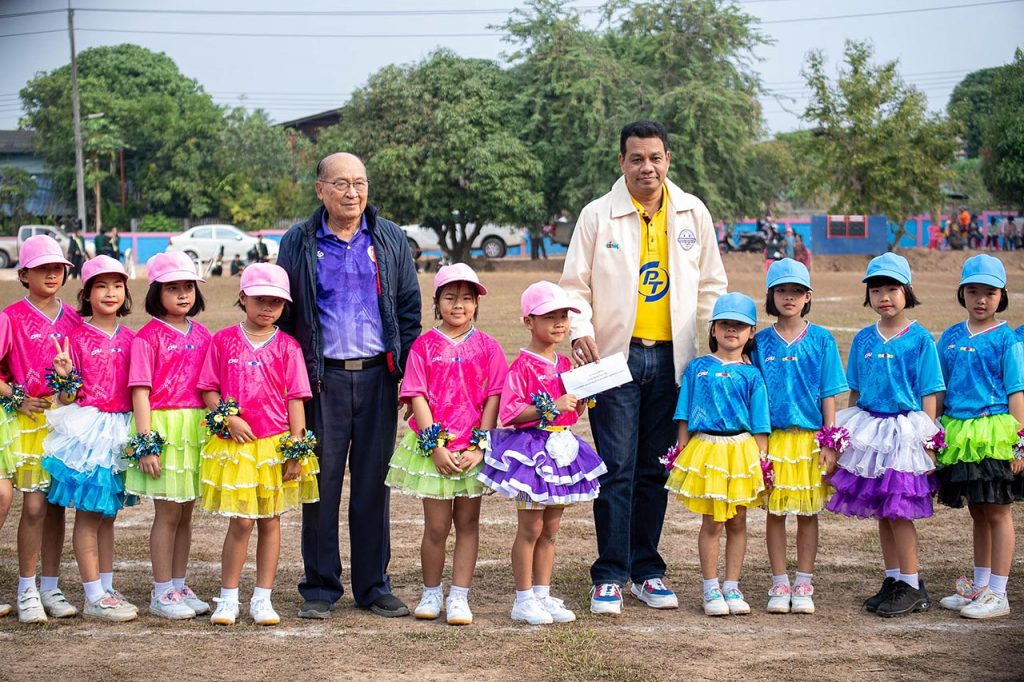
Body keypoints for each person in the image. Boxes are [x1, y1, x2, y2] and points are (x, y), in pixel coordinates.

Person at [560, 120, 727, 616]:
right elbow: (574, 286)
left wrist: (711, 351)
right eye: (636, 158)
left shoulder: (692, 211)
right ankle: (610, 575)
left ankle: (647, 571)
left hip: (676, 360)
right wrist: (579, 328)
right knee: (616, 469)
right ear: (622, 162)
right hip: (614, 359)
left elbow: (711, 286)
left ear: (668, 159)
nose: (646, 167)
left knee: (655, 470)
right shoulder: (598, 215)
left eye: (655, 158)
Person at [277, 152, 421, 619]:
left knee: (373, 486)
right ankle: (320, 587)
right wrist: (293, 379)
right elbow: (286, 314)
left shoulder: (389, 237)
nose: (352, 192)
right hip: (323, 380)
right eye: (340, 183)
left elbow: (408, 310)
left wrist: (407, 374)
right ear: (320, 189)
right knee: (320, 485)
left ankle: (374, 585)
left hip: (379, 377)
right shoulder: (299, 240)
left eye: (359, 182)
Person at [477, 281, 606, 625]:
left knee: (550, 528)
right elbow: (510, 414)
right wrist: (551, 406)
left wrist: (582, 397)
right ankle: (523, 598)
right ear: (528, 321)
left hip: (562, 450)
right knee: (530, 529)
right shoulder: (522, 366)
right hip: (531, 455)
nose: (559, 323)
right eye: (549, 317)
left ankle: (542, 593)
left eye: (563, 316)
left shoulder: (566, 363)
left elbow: (570, 413)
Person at [385, 264, 507, 626]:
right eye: (450, 297)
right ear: (437, 302)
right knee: (437, 527)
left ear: (476, 304)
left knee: (468, 524)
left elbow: (493, 397)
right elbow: (417, 395)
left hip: (471, 450)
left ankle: (459, 596)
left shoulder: (489, 347)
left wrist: (479, 446)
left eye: (467, 298)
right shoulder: (423, 346)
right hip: (434, 449)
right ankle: (431, 591)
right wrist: (434, 446)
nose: (459, 305)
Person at [198, 263, 320, 626]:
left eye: (276, 302)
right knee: (241, 522)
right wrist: (228, 417)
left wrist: (296, 450)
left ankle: (263, 598)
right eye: (259, 299)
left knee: (270, 521)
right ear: (243, 298)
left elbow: (296, 400)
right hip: (237, 448)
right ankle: (228, 597)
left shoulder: (288, 347)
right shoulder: (223, 340)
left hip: (274, 447)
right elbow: (208, 389)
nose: (267, 307)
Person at [826, 253, 944, 617]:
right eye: (876, 290)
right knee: (882, 509)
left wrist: (928, 442)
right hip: (871, 429)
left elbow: (930, 393)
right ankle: (893, 579)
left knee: (899, 510)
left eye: (892, 288)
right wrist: (847, 438)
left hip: (904, 432)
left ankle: (912, 584)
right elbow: (855, 391)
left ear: (907, 290)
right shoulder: (864, 338)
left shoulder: (920, 339)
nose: (884, 297)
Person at [41, 255, 137, 621]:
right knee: (89, 514)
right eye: (101, 286)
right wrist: (65, 376)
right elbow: (68, 398)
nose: (110, 293)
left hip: (121, 431)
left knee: (108, 515)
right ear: (86, 293)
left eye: (117, 285)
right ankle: (93, 594)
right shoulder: (76, 338)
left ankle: (106, 587)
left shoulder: (133, 338)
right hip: (90, 433)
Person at [751, 260, 848, 614]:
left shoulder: (821, 339)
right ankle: (779, 581)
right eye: (782, 290)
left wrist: (829, 441)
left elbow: (830, 394)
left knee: (808, 512)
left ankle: (804, 581)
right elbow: (753, 394)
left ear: (808, 297)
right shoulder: (759, 343)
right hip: (774, 439)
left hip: (810, 440)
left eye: (796, 291)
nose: (789, 297)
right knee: (775, 511)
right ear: (771, 296)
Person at [664, 292, 770, 617]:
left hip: (740, 451)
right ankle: (710, 587)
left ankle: (732, 585)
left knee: (738, 520)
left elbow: (760, 421)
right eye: (724, 324)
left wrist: (762, 460)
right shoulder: (698, 368)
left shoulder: (752, 374)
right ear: (713, 328)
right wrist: (681, 448)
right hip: (707, 449)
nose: (731, 330)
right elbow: (684, 412)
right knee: (712, 521)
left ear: (751, 332)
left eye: (740, 325)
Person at [935, 255, 1024, 619]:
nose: (981, 300)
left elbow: (1016, 392)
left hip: (993, 431)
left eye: (990, 292)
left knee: (998, 510)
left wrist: (1019, 443)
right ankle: (981, 585)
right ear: (962, 293)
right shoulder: (950, 337)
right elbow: (940, 388)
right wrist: (934, 428)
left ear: (1002, 296)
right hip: (959, 433)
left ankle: (999, 593)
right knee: (977, 509)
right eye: (973, 291)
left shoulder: (1007, 339)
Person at [124, 252, 212, 620]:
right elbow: (140, 391)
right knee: (168, 512)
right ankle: (161, 591)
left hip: (195, 428)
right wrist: (147, 443)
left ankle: (178, 583)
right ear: (156, 293)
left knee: (186, 511)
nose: (182, 294)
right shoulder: (147, 337)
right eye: (172, 288)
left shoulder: (204, 334)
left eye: (188, 287)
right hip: (164, 427)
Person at [3, 236, 82, 623]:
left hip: (61, 422)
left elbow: (75, 384)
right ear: (24, 274)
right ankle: (26, 588)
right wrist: (17, 398)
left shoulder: (74, 320)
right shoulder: (10, 317)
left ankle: (50, 586)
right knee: (33, 506)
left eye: (58, 269)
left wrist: (67, 388)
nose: (52, 275)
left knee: (55, 507)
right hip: (24, 422)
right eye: (42, 269)